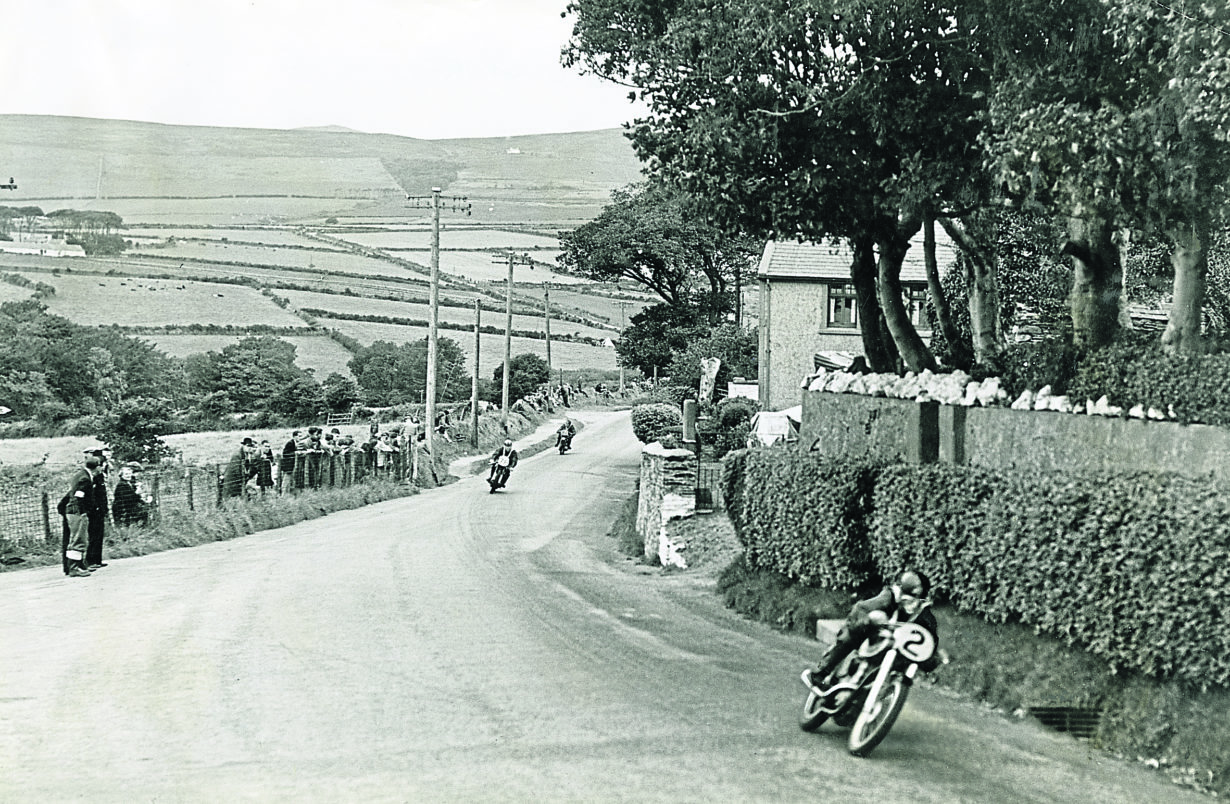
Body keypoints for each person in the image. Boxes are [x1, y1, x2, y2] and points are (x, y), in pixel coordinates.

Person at [804, 570, 940, 691]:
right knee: (851, 636)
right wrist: (866, 620)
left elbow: (929, 638)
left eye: (918, 599)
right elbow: (862, 608)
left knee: (903, 664)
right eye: (909, 598)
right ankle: (821, 672)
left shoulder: (924, 615)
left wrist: (931, 658)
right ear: (902, 592)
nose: (912, 604)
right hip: (871, 634)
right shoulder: (888, 597)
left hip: (894, 645)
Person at [61, 453, 104, 578]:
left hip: (73, 511)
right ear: (97, 467)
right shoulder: (85, 479)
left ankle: (77, 565)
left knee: (75, 540)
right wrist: (84, 511)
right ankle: (75, 567)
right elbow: (79, 496)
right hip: (78, 512)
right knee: (79, 540)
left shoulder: (80, 474)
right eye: (100, 467)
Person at [85, 448, 110, 570]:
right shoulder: (94, 478)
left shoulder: (100, 476)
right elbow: (93, 495)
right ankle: (91, 560)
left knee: (99, 534)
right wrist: (96, 508)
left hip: (100, 510)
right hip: (95, 510)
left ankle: (97, 559)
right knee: (94, 534)